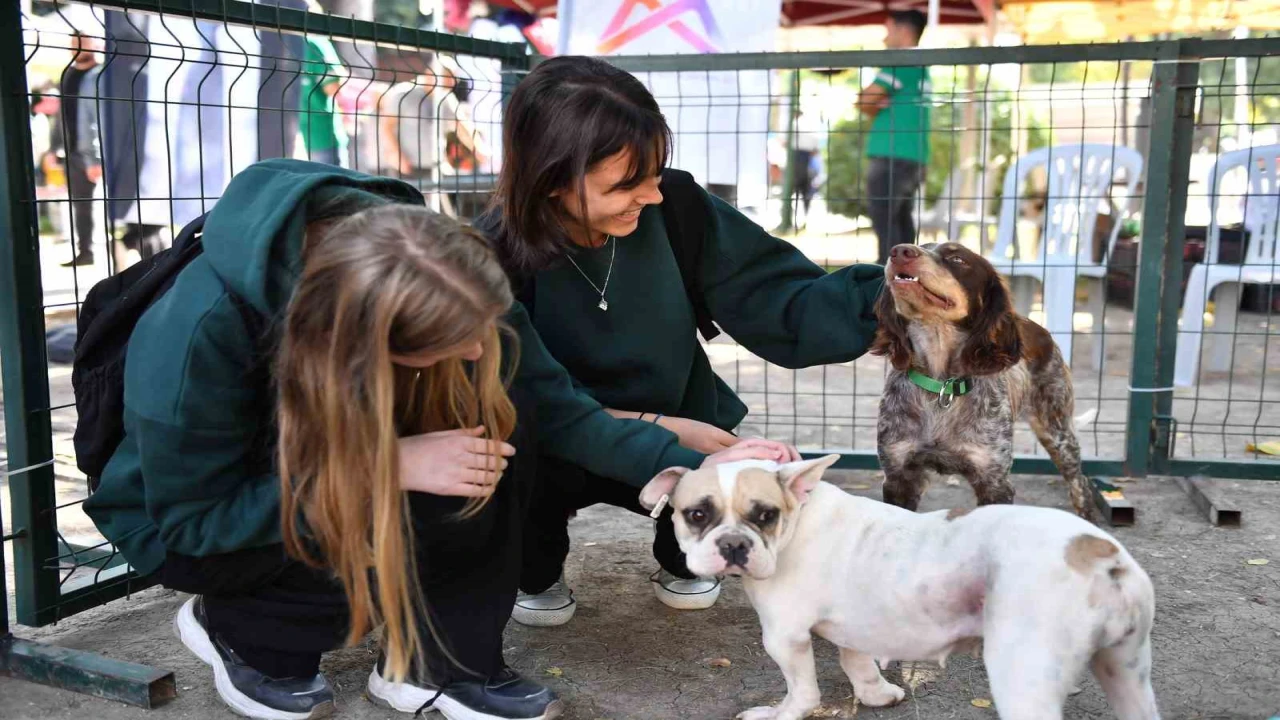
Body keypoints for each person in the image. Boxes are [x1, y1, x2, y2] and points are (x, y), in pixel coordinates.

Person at [83, 158, 785, 720]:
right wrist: (386, 465)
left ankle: (436, 663)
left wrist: (711, 469)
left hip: (342, 455)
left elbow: (562, 410)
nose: (485, 350)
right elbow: (198, 520)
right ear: (361, 343)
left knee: (500, 441)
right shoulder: (197, 335)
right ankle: (244, 632)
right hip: (198, 520)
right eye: (455, 342)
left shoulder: (440, 261)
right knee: (380, 511)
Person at [476, 56, 885, 628]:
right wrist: (661, 428)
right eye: (626, 183)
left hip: (684, 425)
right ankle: (536, 569)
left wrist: (885, 300)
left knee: (714, 525)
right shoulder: (487, 256)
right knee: (516, 479)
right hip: (560, 440)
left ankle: (684, 556)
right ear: (551, 179)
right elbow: (533, 403)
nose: (653, 194)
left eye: (655, 171)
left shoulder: (679, 207)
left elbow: (777, 297)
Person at [857, 9, 931, 264]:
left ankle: (885, 281)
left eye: (888, 30)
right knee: (901, 223)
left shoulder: (901, 61)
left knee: (885, 223)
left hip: (891, 153)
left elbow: (865, 100)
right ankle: (906, 279)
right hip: (913, 155)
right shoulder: (920, 65)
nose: (885, 38)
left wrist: (872, 102)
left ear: (904, 30)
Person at [59, 31, 104, 268]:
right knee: (81, 206)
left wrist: (94, 157)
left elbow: (95, 118)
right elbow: (63, 115)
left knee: (116, 202)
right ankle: (85, 251)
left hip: (96, 153)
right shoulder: (68, 75)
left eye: (82, 43)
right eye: (73, 43)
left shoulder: (100, 75)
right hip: (73, 150)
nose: (77, 47)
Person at [298, 29, 349, 167]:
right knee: (333, 185)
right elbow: (332, 86)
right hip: (320, 134)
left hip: (284, 131)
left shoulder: (277, 41)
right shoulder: (315, 43)